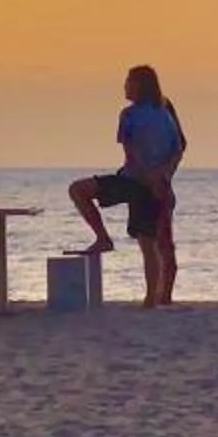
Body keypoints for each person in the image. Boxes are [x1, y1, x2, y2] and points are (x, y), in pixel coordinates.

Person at [69, 64, 186, 307]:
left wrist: (154, 178)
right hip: (154, 182)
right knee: (156, 243)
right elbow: (177, 151)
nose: (125, 86)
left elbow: (132, 153)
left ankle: (153, 298)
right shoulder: (165, 109)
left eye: (128, 82)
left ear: (139, 86)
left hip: (135, 181)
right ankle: (158, 297)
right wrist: (162, 176)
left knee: (151, 242)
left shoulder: (132, 115)